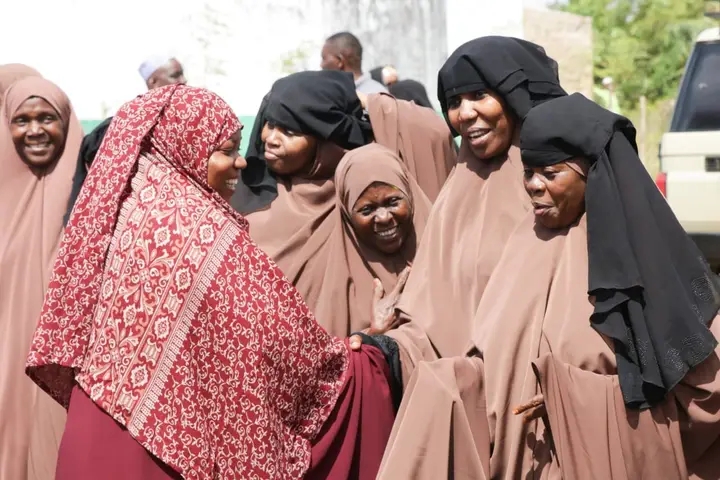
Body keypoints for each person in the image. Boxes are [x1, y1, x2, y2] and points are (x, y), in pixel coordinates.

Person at [25, 84, 396, 479]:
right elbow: (276, 339)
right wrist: (368, 351)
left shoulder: (124, 220)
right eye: (225, 150)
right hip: (162, 460)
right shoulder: (199, 232)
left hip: (100, 441)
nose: (240, 163)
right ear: (182, 148)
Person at [378, 93, 720, 479]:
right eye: (528, 172)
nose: (534, 187)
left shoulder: (649, 258)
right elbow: (493, 353)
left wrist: (576, 399)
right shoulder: (526, 243)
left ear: (593, 174)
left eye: (551, 173)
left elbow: (706, 396)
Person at [349, 36, 567, 375]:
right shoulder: (455, 197)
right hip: (466, 395)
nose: (465, 113)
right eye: (454, 101)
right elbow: (433, 323)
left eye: (479, 95)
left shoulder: (563, 186)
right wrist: (381, 342)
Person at [239, 70, 452, 333]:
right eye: (270, 124)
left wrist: (365, 101)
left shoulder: (365, 186)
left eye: (290, 131)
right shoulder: (248, 203)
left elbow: (435, 133)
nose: (271, 139)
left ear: (325, 138)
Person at [0, 76, 82, 480]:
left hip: (65, 375)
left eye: (47, 118)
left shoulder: (89, 196)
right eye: (21, 120)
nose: (34, 130)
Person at [309, 143, 431, 337]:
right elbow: (320, 360)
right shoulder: (326, 277)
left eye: (393, 202)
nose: (383, 218)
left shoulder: (445, 251)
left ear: (410, 196)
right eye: (367, 210)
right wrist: (374, 334)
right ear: (347, 215)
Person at [321, 32, 388, 94]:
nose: (321, 65)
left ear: (340, 61)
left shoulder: (377, 97)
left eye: (324, 58)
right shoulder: (334, 92)